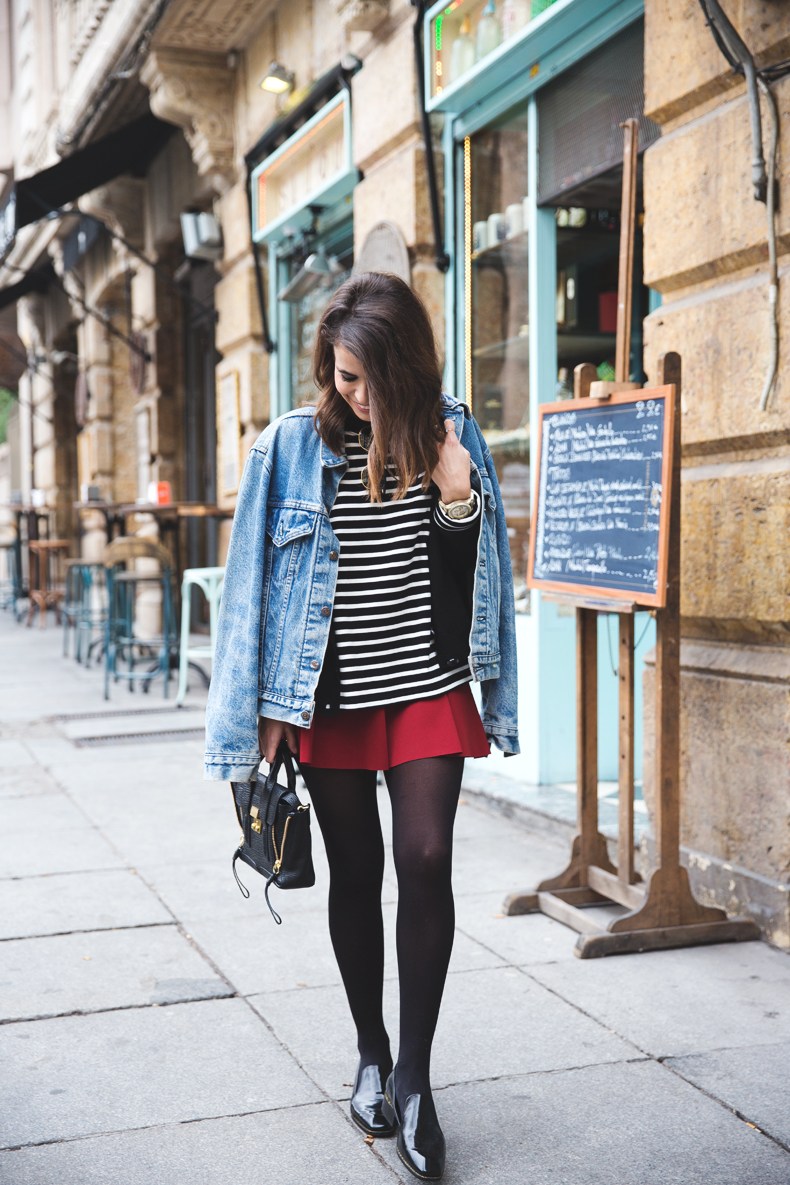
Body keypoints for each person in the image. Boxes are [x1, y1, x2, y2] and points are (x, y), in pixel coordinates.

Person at [205, 272, 518, 1181]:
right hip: (331, 698)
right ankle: (371, 1052)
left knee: (425, 861)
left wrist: (457, 494)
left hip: (427, 683)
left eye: (377, 379)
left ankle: (416, 1080)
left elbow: (470, 589)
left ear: (411, 366)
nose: (362, 397)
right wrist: (259, 718)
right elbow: (249, 596)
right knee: (358, 871)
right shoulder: (289, 450)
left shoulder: (451, 435)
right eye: (346, 378)